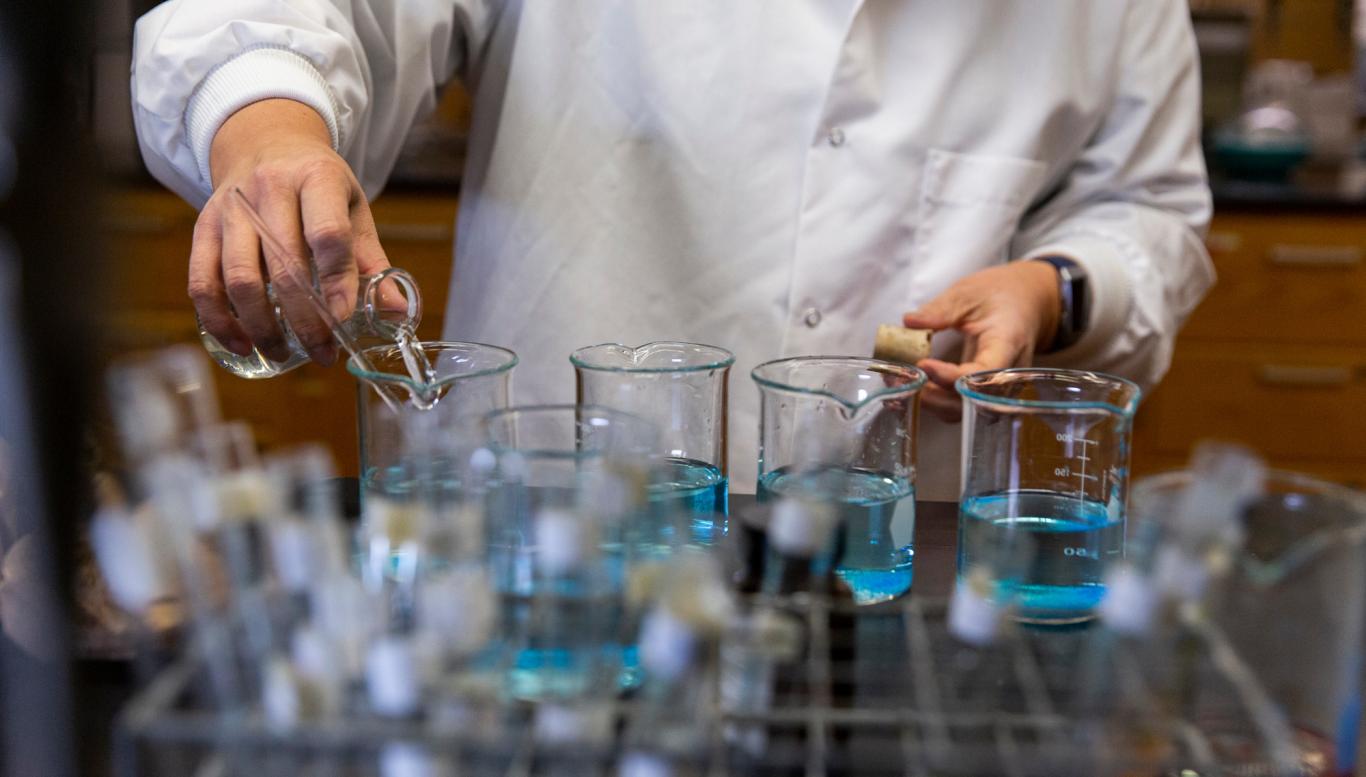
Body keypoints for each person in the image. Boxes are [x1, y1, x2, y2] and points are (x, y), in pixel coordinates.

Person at [131, 1, 1214, 499]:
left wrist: (1054, 290)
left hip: (893, 552)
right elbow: (289, 16)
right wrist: (269, 132)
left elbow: (1150, 213)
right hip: (557, 524)